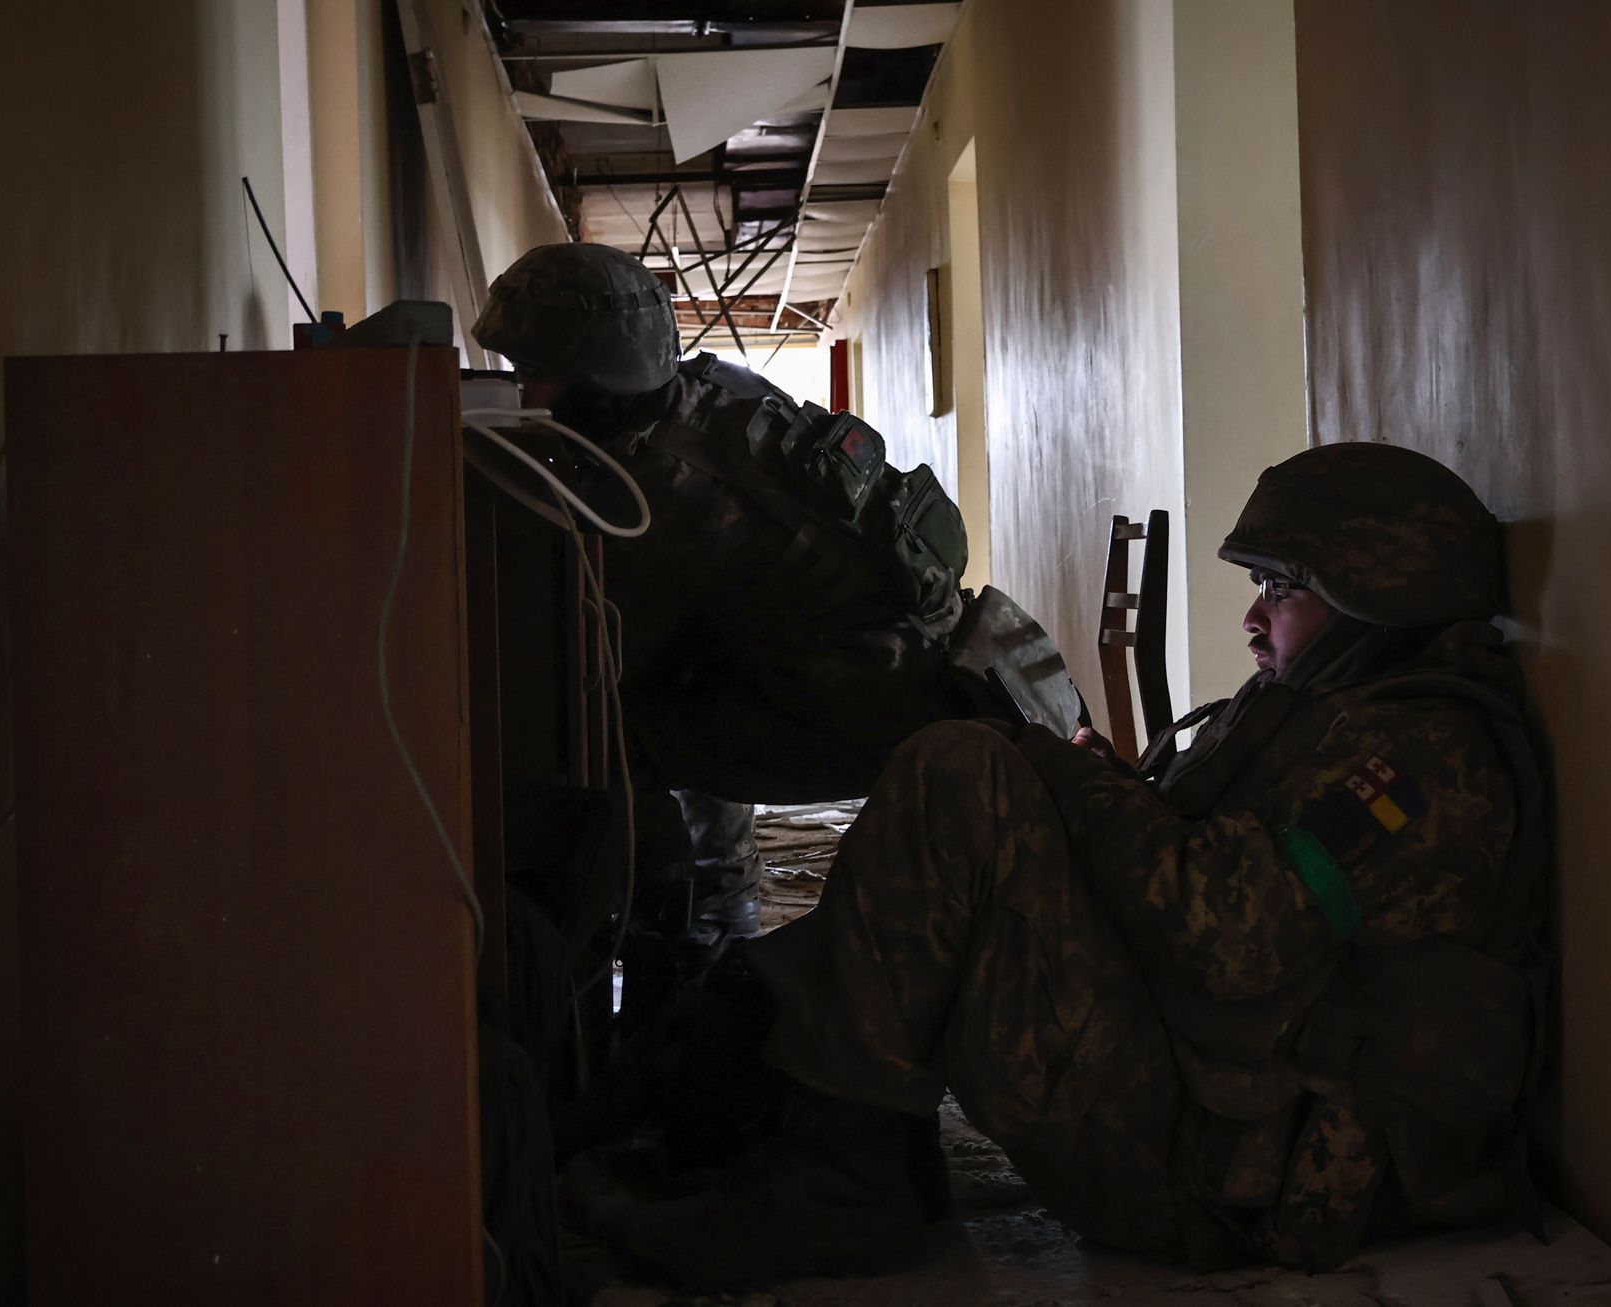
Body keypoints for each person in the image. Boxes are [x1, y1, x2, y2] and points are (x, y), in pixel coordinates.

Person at [566, 440, 1549, 1288]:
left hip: (1236, 1180)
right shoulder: (1326, 708)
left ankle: (838, 1175)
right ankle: (798, 1124)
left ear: (1377, 597)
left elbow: (1226, 937)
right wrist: (1093, 782)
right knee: (964, 794)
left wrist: (1066, 778)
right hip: (1208, 1094)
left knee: (964, 774)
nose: (1255, 619)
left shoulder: (1421, 764)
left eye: (1282, 591)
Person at [471, 243, 1018, 1009]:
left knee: (610, 730)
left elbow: (609, 655)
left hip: (876, 712)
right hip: (903, 662)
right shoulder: (708, 392)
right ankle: (700, 934)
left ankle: (695, 950)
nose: (525, 391)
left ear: (599, 377)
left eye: (537, 374)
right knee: (666, 693)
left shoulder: (672, 490)